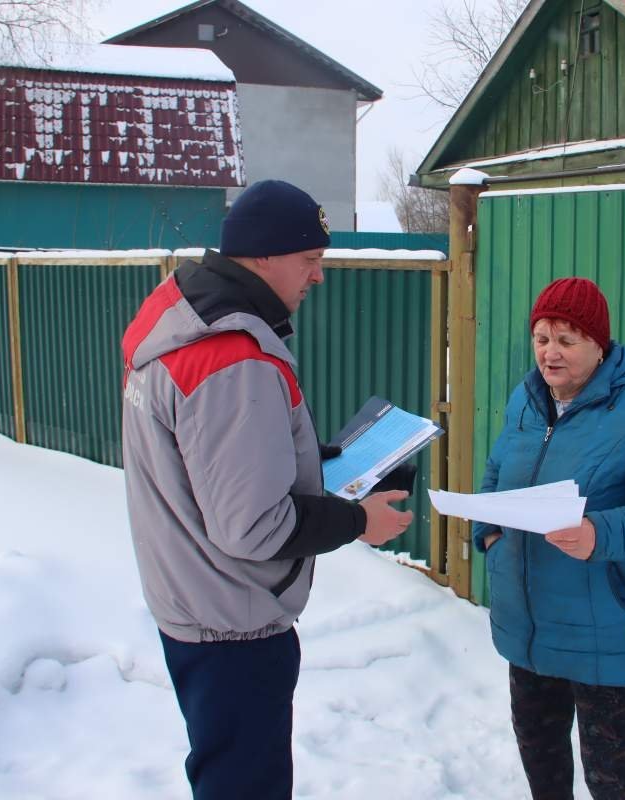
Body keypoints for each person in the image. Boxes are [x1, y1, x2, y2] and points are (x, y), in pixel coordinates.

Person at [120, 179, 413, 800]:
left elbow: (219, 465)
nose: (318, 277)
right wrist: (361, 522)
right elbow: (253, 527)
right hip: (234, 626)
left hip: (197, 605)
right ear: (261, 257)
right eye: (309, 261)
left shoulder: (188, 326)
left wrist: (330, 465)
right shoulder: (233, 359)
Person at [473, 277, 625, 800]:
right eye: (541, 338)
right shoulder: (527, 399)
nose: (550, 353)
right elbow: (497, 470)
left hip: (605, 630)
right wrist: (487, 530)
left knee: (616, 782)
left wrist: (600, 533)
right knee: (542, 763)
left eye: (566, 339)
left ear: (599, 345)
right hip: (530, 627)